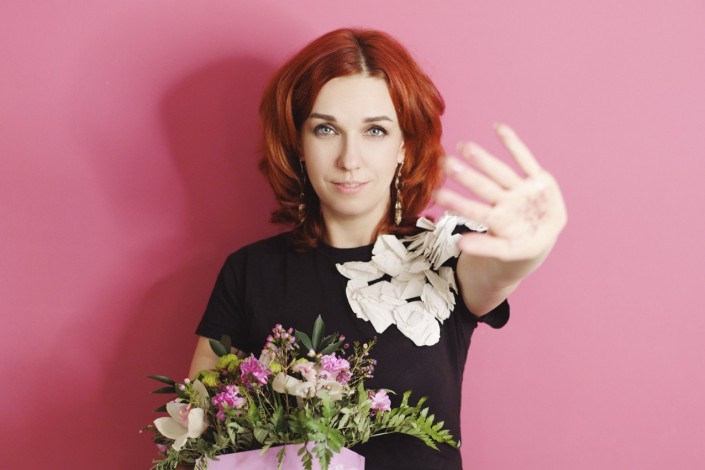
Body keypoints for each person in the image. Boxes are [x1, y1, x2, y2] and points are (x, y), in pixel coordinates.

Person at [188, 28, 566, 469]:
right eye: (326, 129)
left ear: (404, 145)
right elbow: (198, 437)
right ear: (298, 144)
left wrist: (530, 247)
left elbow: (497, 271)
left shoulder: (444, 253)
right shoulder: (249, 272)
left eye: (375, 130)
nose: (350, 159)